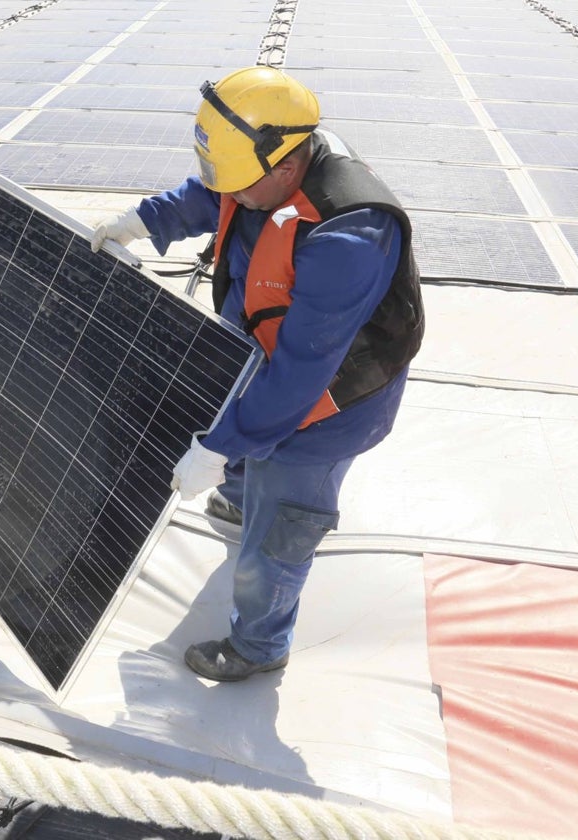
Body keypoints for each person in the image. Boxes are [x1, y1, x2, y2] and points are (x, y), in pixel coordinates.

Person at [90, 66, 424, 682]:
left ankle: (260, 645)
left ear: (287, 167)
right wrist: (143, 221)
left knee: (276, 542)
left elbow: (298, 380)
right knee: (243, 449)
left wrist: (217, 450)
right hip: (261, 354)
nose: (232, 198)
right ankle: (243, 492)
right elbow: (210, 195)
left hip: (328, 410)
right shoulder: (261, 166)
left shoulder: (350, 236)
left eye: (243, 187)